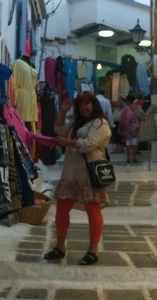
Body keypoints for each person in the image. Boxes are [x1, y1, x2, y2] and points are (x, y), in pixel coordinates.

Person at [44, 92, 112, 265]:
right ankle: (60, 247)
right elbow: (58, 129)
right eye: (80, 105)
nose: (83, 107)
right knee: (62, 208)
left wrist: (67, 142)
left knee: (92, 209)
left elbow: (89, 144)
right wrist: (63, 110)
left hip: (88, 174)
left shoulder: (100, 124)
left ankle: (93, 250)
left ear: (94, 104)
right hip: (71, 173)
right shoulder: (75, 123)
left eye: (87, 103)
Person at [119, 94, 142, 164]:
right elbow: (140, 117)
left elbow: (122, 119)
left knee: (128, 142)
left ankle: (128, 158)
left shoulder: (126, 108)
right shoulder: (138, 107)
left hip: (127, 127)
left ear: (128, 101)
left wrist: (120, 128)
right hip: (136, 126)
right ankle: (134, 157)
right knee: (134, 141)